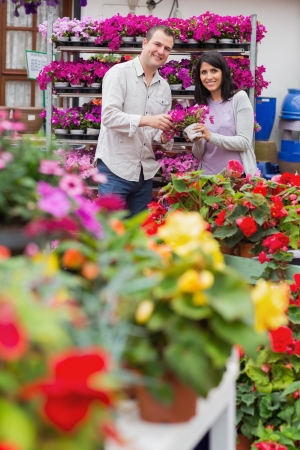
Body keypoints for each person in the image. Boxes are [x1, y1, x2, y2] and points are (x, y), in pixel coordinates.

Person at [95, 26, 174, 216]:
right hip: (115, 169)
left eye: (167, 48)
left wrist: (164, 135)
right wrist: (148, 120)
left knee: (138, 237)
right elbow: (109, 116)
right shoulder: (119, 73)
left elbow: (157, 134)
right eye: (157, 44)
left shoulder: (164, 88)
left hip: (144, 173)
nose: (161, 51)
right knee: (108, 232)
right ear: (145, 43)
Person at [191, 51, 257, 175]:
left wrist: (211, 137)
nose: (208, 77)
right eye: (204, 72)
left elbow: (244, 142)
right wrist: (197, 140)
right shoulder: (199, 108)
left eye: (214, 71)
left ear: (223, 73)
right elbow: (198, 154)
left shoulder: (239, 98)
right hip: (206, 179)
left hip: (236, 179)